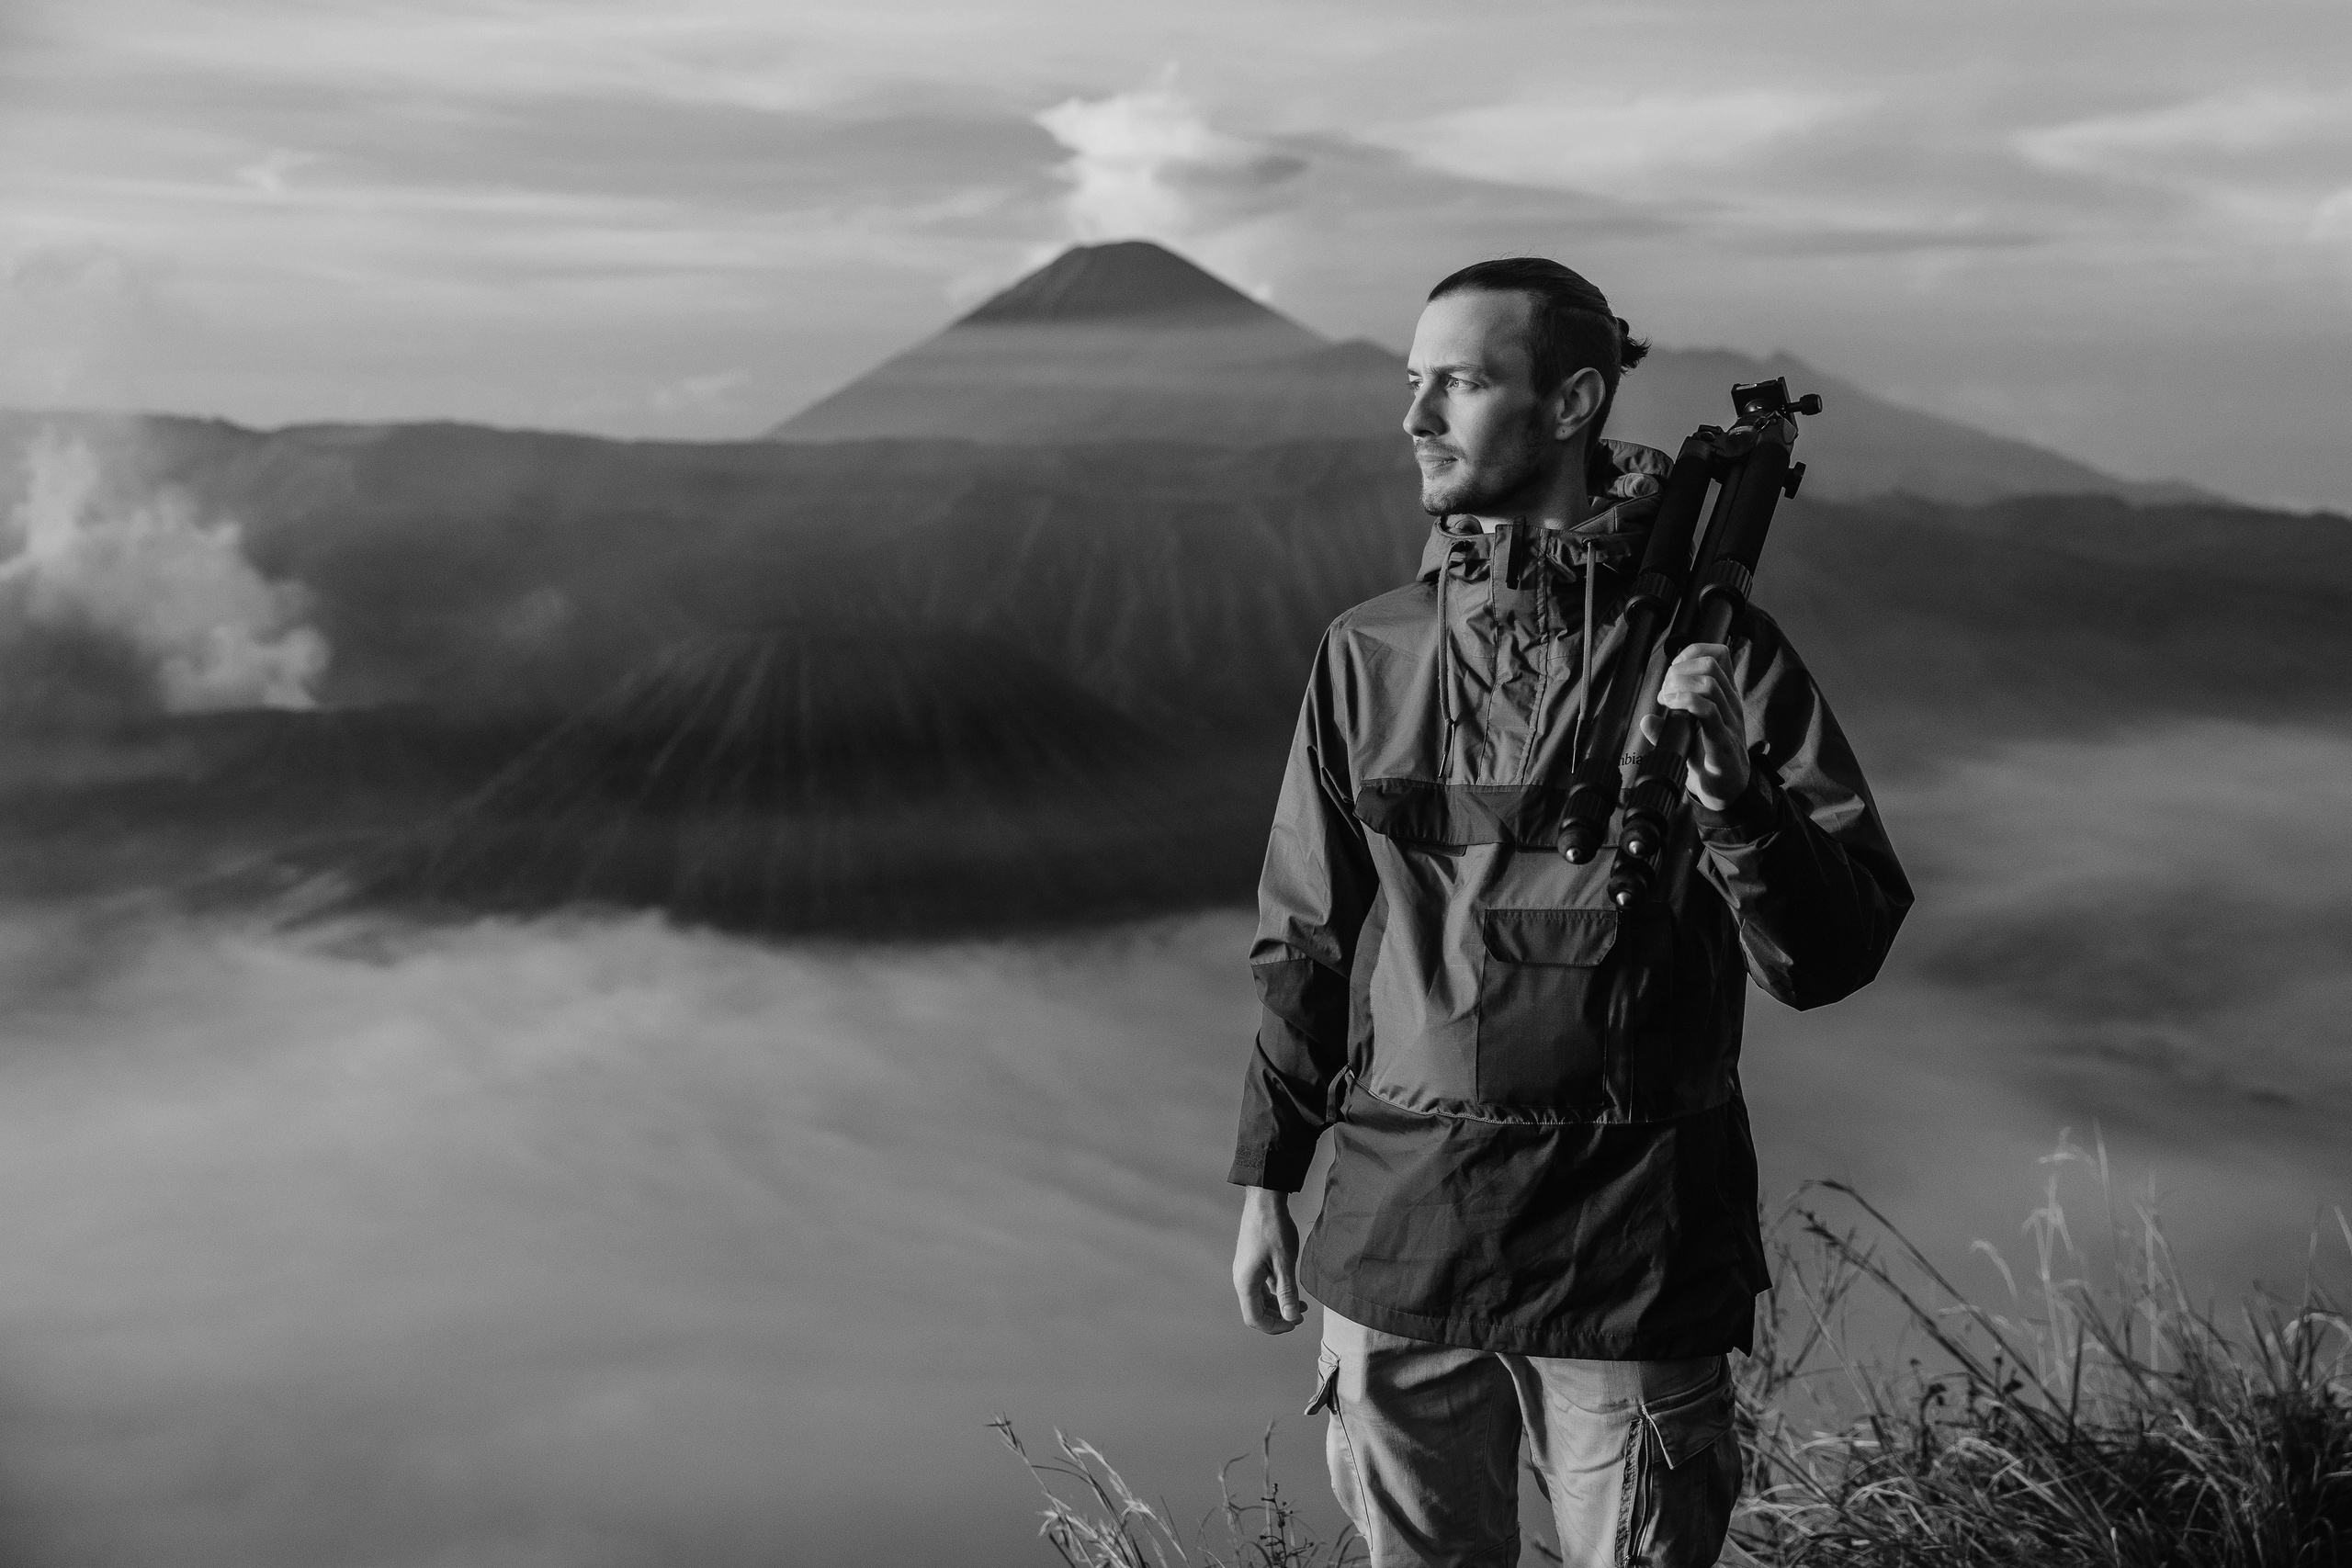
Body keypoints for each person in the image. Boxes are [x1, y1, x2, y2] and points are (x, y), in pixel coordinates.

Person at [1226, 258, 1913, 1568]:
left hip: (1634, 1253)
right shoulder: (1368, 652)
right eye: (1412, 383)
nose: (1415, 418)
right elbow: (1307, 937)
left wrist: (1731, 793)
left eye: (1462, 383)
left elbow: (1828, 954)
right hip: (1396, 1244)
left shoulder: (1723, 658)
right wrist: (1266, 1175)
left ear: (1571, 403)